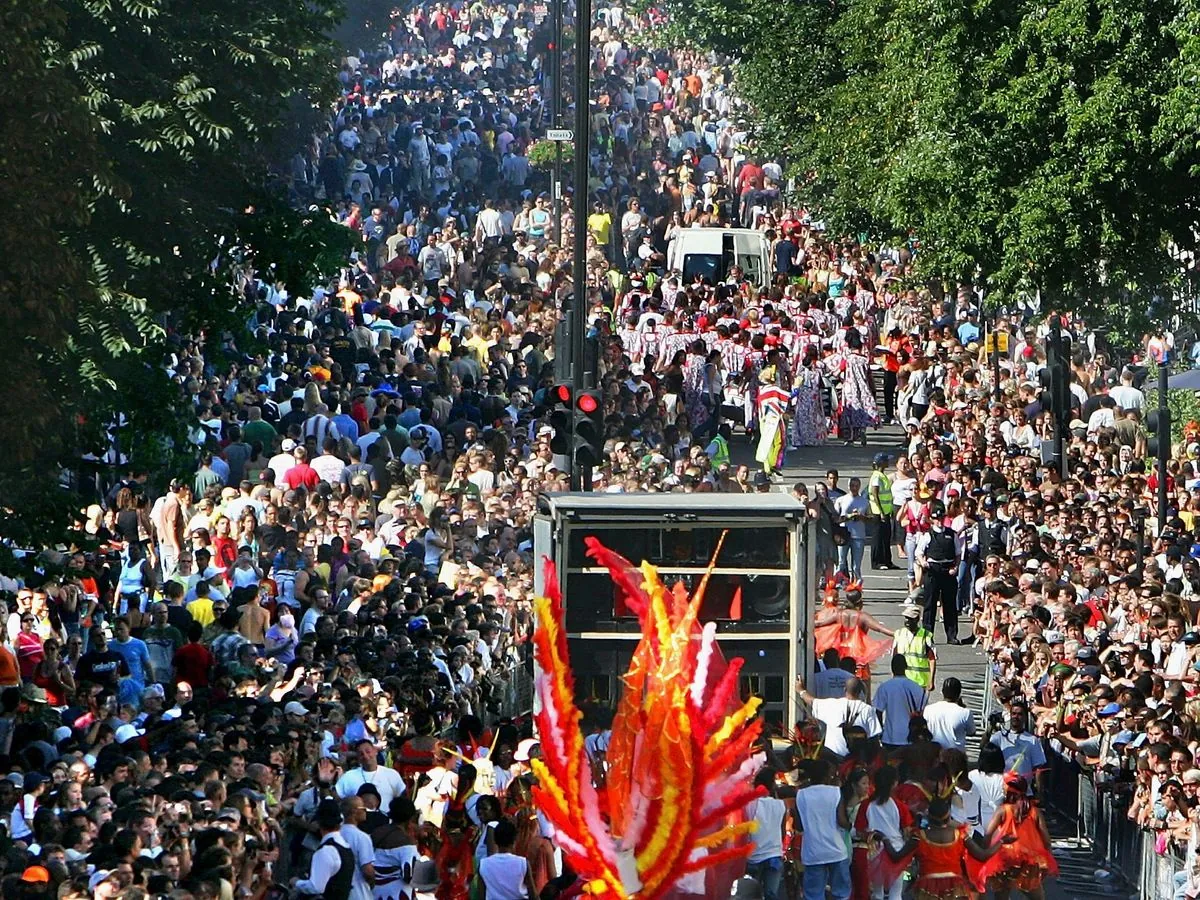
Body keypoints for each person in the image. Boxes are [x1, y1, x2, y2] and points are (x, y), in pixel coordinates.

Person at [974, 774, 1059, 899]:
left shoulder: (1002, 810)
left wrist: (983, 856)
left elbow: (987, 836)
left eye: (1004, 787)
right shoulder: (1034, 811)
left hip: (1005, 860)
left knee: (1002, 895)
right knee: (1038, 897)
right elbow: (1046, 839)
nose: (1002, 789)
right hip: (1028, 861)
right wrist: (1047, 858)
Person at [792, 759, 851, 900]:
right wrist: (851, 826)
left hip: (813, 852)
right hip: (836, 850)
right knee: (841, 893)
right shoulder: (836, 792)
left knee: (814, 895)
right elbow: (842, 821)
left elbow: (799, 826)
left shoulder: (801, 795)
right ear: (827, 776)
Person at [914, 500, 962, 644]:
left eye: (941, 519)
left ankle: (952, 635)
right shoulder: (928, 535)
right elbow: (919, 552)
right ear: (932, 520)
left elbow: (958, 553)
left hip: (948, 571)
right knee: (929, 604)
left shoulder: (951, 534)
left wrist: (956, 567)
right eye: (936, 519)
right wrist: (923, 562)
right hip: (933, 571)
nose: (939, 522)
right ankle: (927, 634)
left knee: (950, 605)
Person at [293, 799, 357, 900]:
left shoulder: (326, 851)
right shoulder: (345, 846)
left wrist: (296, 882)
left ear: (318, 823)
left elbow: (316, 887)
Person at [745, 769, 787, 900]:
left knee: (750, 895)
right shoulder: (781, 805)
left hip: (753, 857)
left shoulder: (748, 805)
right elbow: (783, 832)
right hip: (774, 855)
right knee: (772, 894)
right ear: (772, 785)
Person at [871, 656, 926, 749]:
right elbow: (923, 711)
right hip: (912, 738)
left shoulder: (885, 687)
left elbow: (878, 712)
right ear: (906, 667)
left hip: (890, 739)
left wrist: (879, 733)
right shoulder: (916, 687)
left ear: (892, 668)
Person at [478, 818, 539, 899]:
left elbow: (481, 895)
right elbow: (533, 895)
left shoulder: (483, 864)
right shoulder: (522, 863)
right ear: (514, 841)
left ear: (495, 840)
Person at [891, 601, 936, 690]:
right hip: (903, 681)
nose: (907, 621)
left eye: (910, 618)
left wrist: (931, 681)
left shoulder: (926, 636)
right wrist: (894, 677)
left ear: (917, 619)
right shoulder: (899, 634)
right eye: (906, 618)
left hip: (920, 682)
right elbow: (895, 657)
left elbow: (932, 660)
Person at [923, 677, 976, 752]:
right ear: (959, 694)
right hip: (956, 756)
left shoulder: (928, 709)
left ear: (942, 692)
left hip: (934, 754)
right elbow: (971, 732)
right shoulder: (965, 713)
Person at [867, 454, 896, 569]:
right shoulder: (877, 477)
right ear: (881, 462)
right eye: (886, 461)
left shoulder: (882, 475)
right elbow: (875, 494)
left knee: (886, 537)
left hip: (886, 511)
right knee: (878, 538)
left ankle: (887, 561)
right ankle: (877, 562)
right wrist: (881, 511)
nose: (888, 462)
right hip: (878, 513)